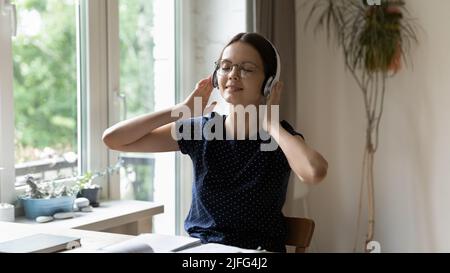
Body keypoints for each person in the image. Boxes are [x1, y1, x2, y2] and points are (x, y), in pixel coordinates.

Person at [102, 32, 328, 252]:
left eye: (247, 69)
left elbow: (314, 172)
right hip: (201, 251)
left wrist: (271, 125)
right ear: (215, 77)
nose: (233, 75)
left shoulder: (279, 137)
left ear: (268, 83)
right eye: (226, 67)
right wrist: (181, 111)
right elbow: (114, 140)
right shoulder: (201, 130)